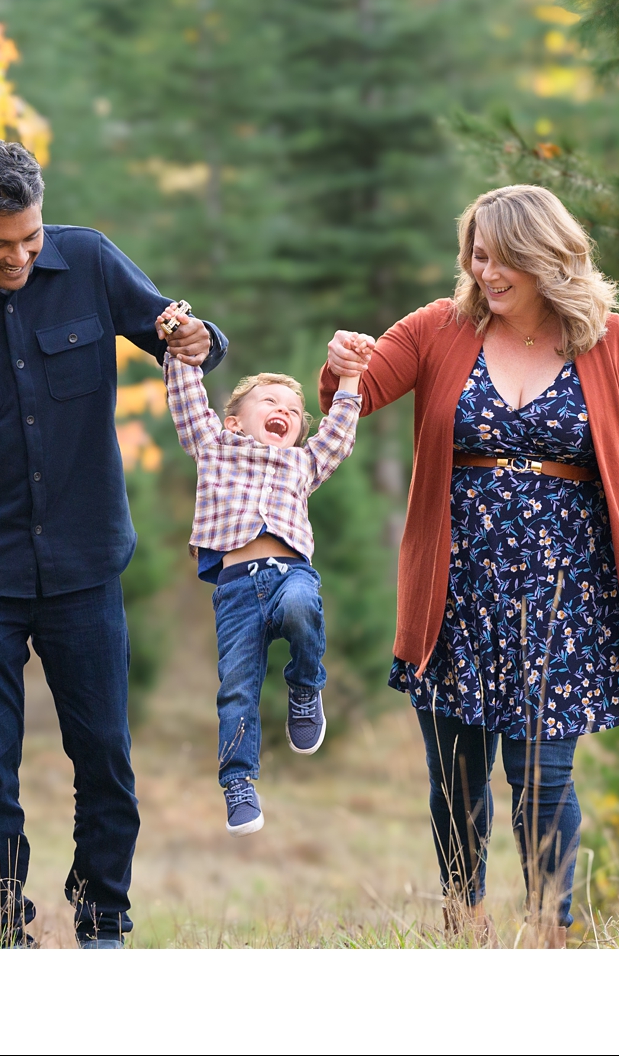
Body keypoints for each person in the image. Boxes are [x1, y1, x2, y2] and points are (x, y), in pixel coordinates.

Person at [316, 184, 619, 944]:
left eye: (504, 257)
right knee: (457, 776)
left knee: (543, 774)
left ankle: (552, 929)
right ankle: (464, 912)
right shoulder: (438, 328)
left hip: (565, 591)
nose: (487, 271)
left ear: (548, 257)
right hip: (457, 586)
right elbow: (364, 391)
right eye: (477, 254)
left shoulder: (611, 341)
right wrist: (343, 365)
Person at [0, 140, 225, 949]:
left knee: (104, 759)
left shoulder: (90, 261)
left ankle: (104, 924)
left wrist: (199, 339)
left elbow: (184, 336)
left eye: (30, 238)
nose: (22, 256)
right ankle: (2, 937)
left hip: (85, 568)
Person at [158, 301, 370, 836]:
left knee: (302, 607)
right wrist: (180, 349)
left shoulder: (303, 462)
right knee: (237, 688)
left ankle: (304, 686)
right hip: (234, 590)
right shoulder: (213, 446)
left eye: (294, 411)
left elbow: (340, 434)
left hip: (289, 573)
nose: (284, 411)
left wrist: (349, 378)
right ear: (234, 421)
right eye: (269, 401)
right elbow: (187, 402)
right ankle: (239, 781)